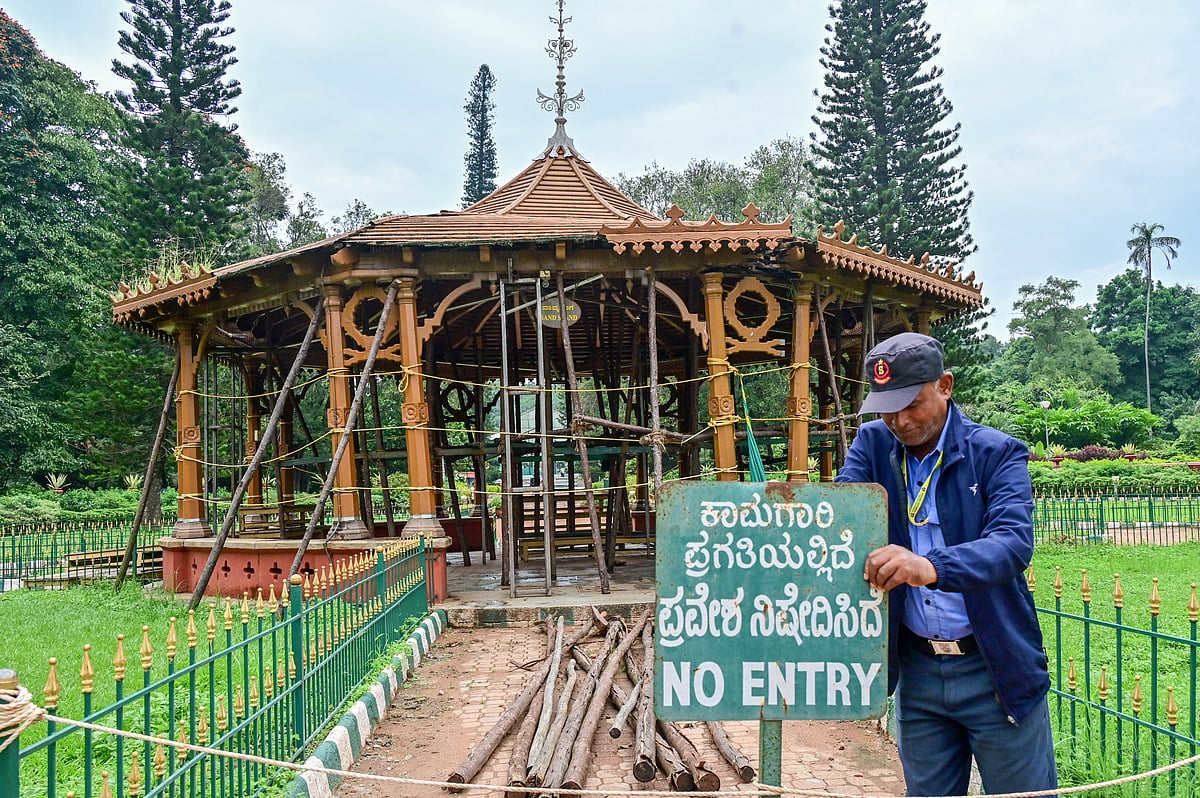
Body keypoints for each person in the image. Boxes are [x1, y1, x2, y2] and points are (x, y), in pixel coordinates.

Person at [835, 331, 1057, 797]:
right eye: (885, 407)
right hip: (917, 671)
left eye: (912, 403)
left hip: (993, 669)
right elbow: (839, 513)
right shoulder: (873, 444)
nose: (898, 419)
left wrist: (930, 566)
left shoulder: (995, 453)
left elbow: (1012, 543)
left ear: (946, 386)